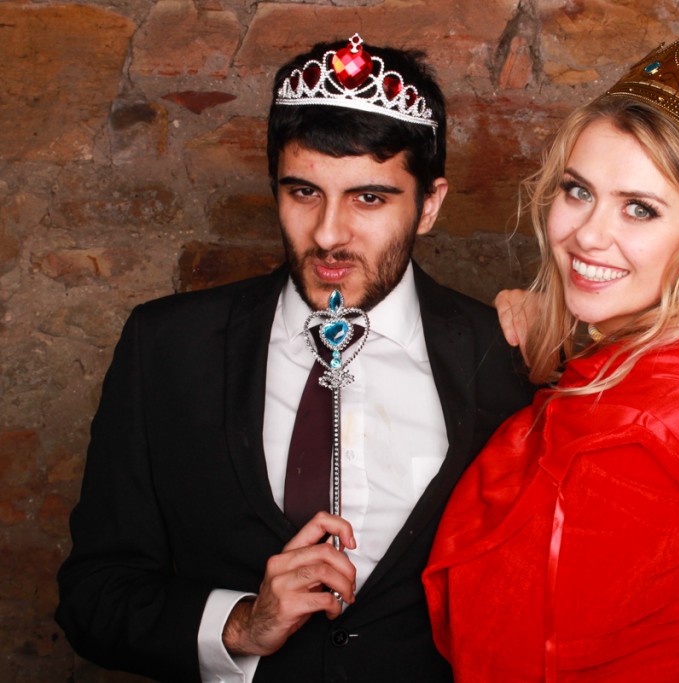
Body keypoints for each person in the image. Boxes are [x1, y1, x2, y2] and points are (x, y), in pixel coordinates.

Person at [56, 35, 535, 682]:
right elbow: (93, 596)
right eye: (304, 192)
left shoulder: (506, 356)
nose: (330, 233)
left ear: (430, 204)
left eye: (370, 198)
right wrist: (240, 624)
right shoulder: (165, 349)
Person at [423, 26, 679, 681]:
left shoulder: (637, 445)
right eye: (577, 191)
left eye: (639, 208)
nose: (587, 234)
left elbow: (536, 647)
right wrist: (549, 346)